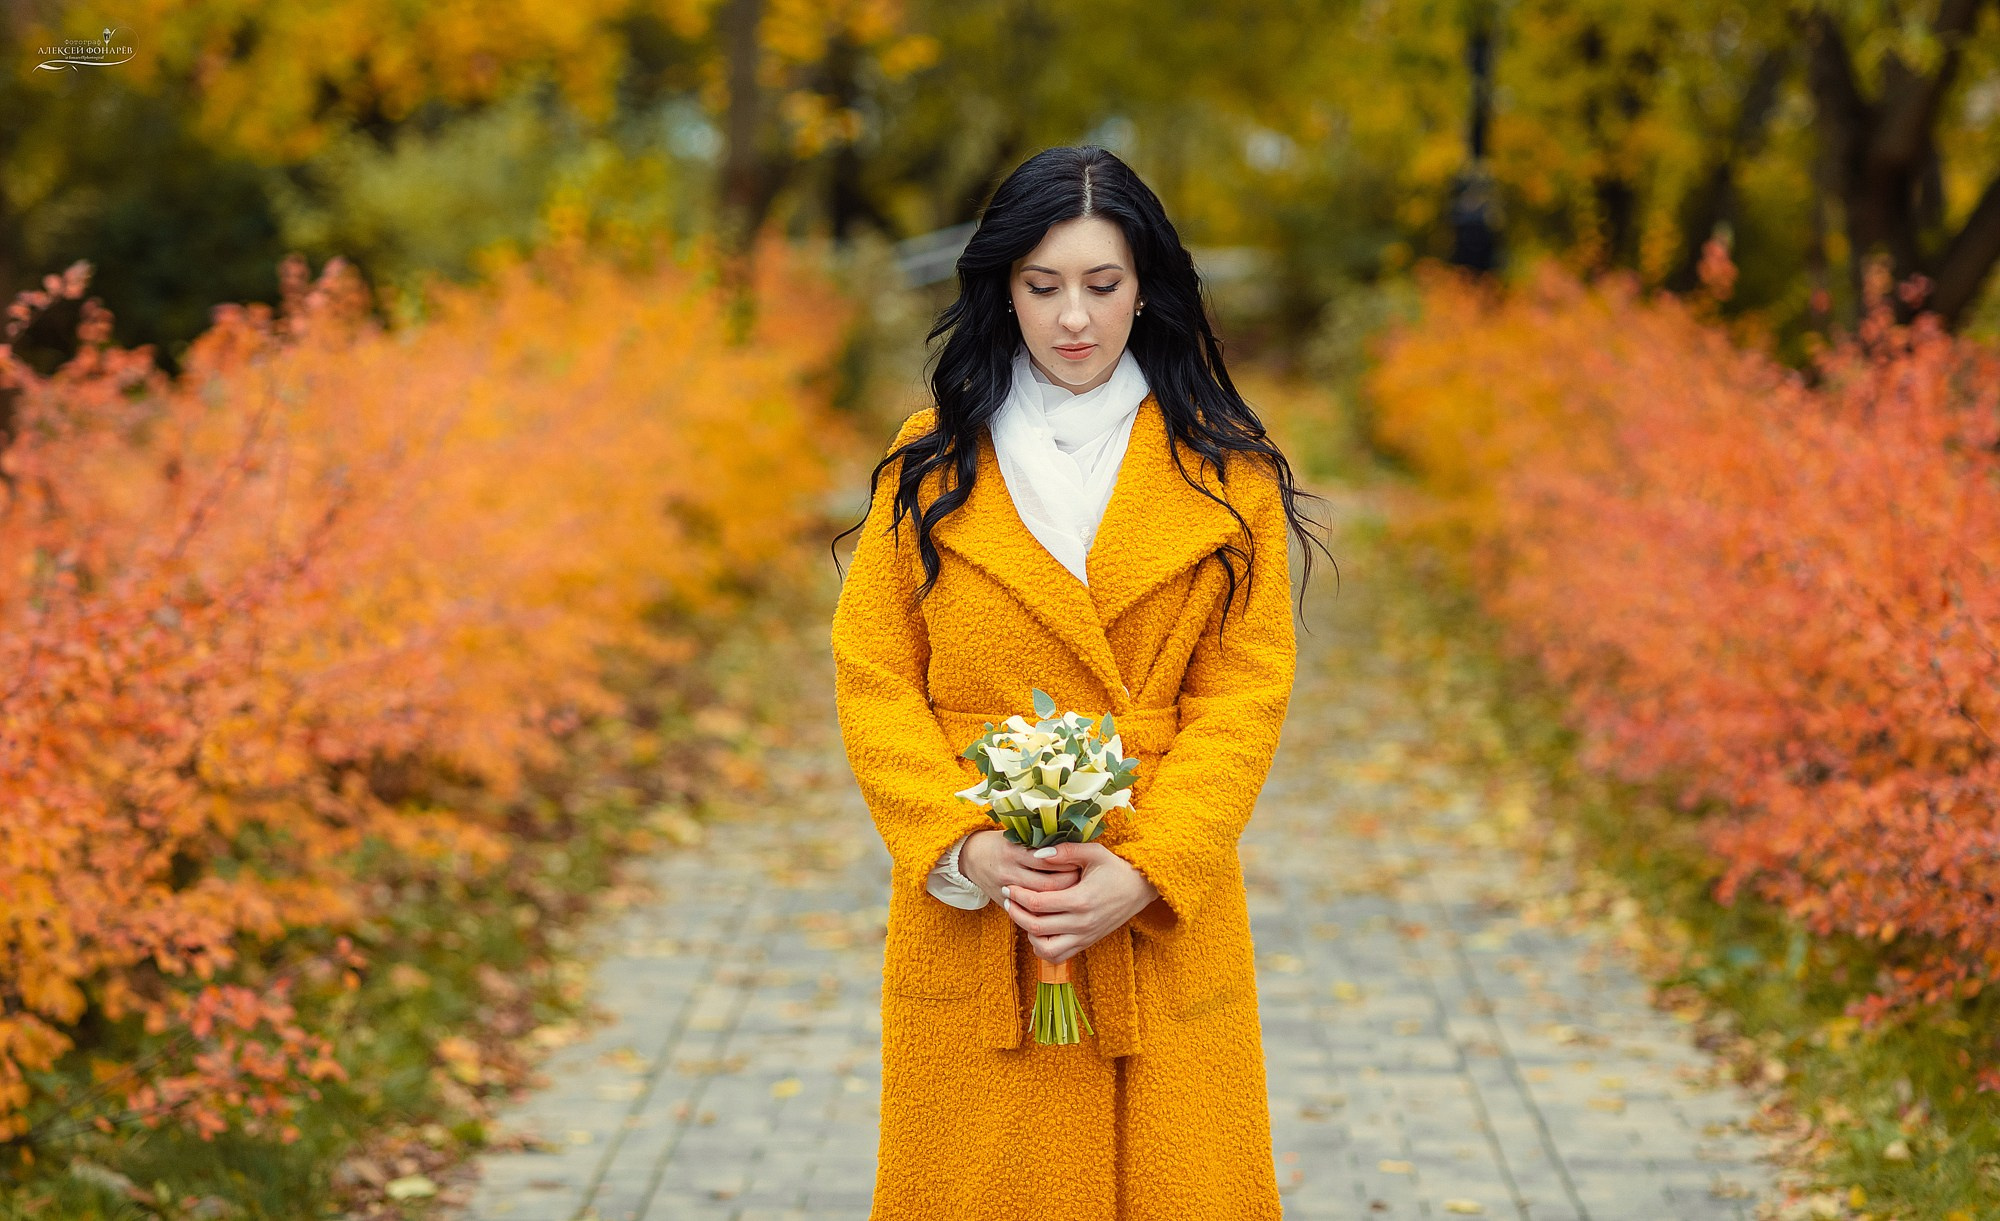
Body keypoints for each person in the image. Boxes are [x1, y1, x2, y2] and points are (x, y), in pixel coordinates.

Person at [830, 144, 1330, 1220]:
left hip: (1156, 907)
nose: (1071, 319)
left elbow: (1244, 693)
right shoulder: (931, 461)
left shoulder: (1220, 468)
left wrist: (1147, 869)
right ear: (1001, 288)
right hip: (979, 910)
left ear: (1144, 287)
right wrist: (963, 848)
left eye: (1100, 286)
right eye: (1041, 286)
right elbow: (872, 674)